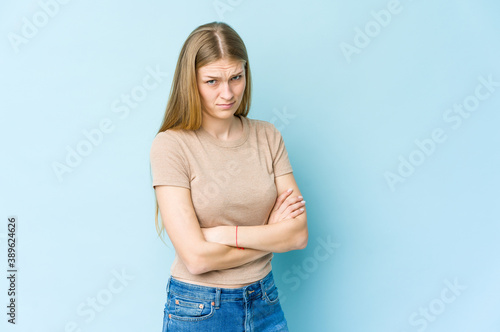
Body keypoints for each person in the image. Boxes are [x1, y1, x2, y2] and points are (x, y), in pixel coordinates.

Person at [149, 21, 308, 332]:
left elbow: (298, 234)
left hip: (265, 300)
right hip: (199, 308)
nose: (228, 93)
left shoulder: (267, 136)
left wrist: (226, 234)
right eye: (212, 81)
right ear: (190, 82)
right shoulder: (171, 145)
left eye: (236, 77)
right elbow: (196, 258)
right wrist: (271, 233)